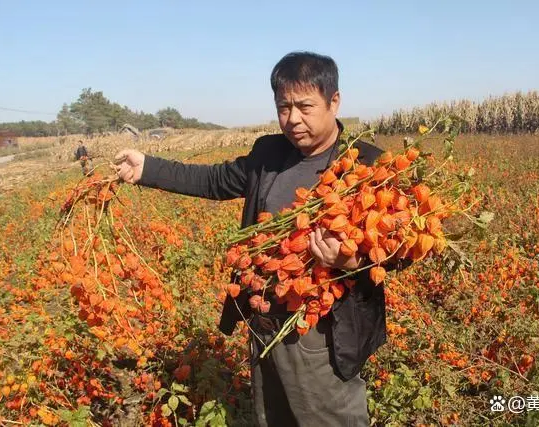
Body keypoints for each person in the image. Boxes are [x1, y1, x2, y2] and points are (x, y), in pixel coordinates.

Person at [113, 51, 399, 426]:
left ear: (335, 102)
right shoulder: (269, 153)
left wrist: (353, 262)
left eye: (305, 106)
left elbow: (399, 249)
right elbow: (215, 180)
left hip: (321, 333)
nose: (293, 119)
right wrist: (148, 167)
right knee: (272, 417)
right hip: (264, 320)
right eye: (284, 107)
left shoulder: (367, 167)